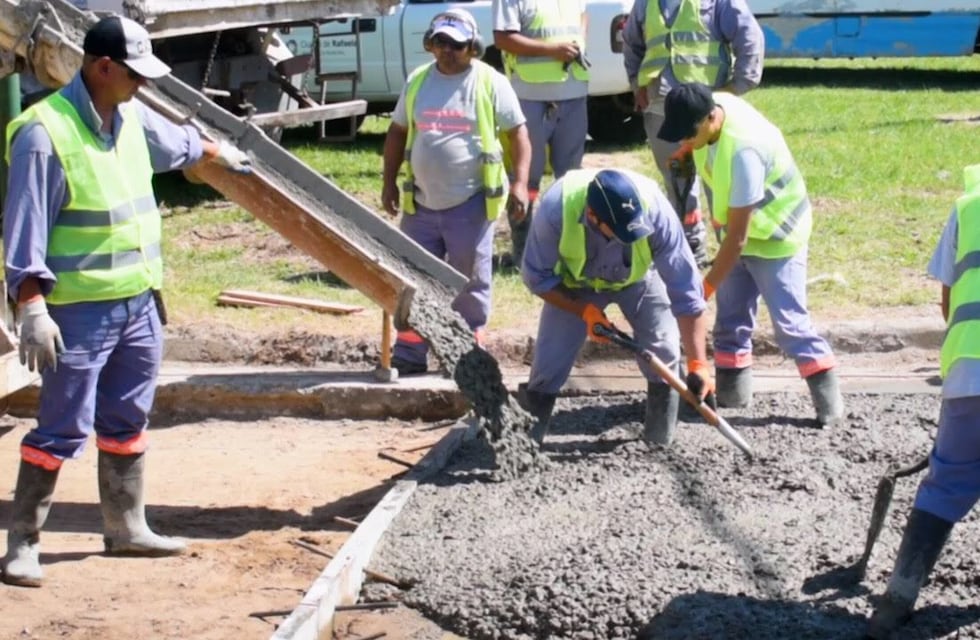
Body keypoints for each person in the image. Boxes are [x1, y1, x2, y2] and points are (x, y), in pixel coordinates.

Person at [1, 15, 252, 588]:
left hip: (139, 305)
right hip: (79, 314)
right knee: (61, 426)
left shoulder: (132, 115)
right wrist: (33, 308)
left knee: (127, 417)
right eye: (134, 73)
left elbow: (178, 145)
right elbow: (23, 234)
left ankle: (126, 526)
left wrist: (218, 150)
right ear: (102, 66)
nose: (143, 84)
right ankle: (24, 543)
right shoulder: (44, 133)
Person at [658, 82, 843, 426]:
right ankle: (732, 398)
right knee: (730, 322)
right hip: (738, 235)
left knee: (790, 325)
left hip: (775, 236)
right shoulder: (714, 110)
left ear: (710, 118)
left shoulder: (745, 150)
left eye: (688, 135)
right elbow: (736, 233)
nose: (684, 140)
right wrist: (688, 152)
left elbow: (740, 238)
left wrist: (706, 288)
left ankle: (830, 406)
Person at [381, 9, 531, 375]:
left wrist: (520, 183)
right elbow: (398, 132)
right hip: (421, 202)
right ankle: (411, 351)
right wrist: (387, 181)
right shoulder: (418, 81)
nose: (447, 51)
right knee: (413, 276)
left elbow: (519, 134)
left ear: (472, 47)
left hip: (470, 202)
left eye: (457, 45)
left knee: (469, 278)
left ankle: (465, 353)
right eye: (441, 42)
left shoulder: (489, 82)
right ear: (430, 44)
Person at [866, 164, 980, 638]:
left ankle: (897, 599)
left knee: (947, 481)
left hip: (970, 367)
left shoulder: (968, 205)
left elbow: (948, 302)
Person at [518, 167, 713, 445]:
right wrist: (584, 311)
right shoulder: (555, 210)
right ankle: (525, 447)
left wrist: (698, 362)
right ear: (592, 216)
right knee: (547, 365)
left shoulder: (655, 210)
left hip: (638, 279)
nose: (630, 237)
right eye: (620, 231)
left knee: (664, 347)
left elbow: (688, 291)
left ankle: (659, 441)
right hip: (575, 286)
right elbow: (536, 276)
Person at [622, 0, 763, 269]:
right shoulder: (645, 4)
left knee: (720, 183)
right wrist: (636, 83)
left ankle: (732, 250)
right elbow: (632, 44)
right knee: (677, 182)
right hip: (660, 107)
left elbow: (750, 40)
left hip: (706, 111)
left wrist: (731, 92)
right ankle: (689, 250)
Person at [492, 0, 589, 266]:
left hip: (573, 91)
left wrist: (579, 39)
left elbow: (582, 16)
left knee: (571, 180)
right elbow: (503, 38)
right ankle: (523, 253)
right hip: (528, 95)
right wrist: (552, 50)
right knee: (525, 179)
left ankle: (569, 251)